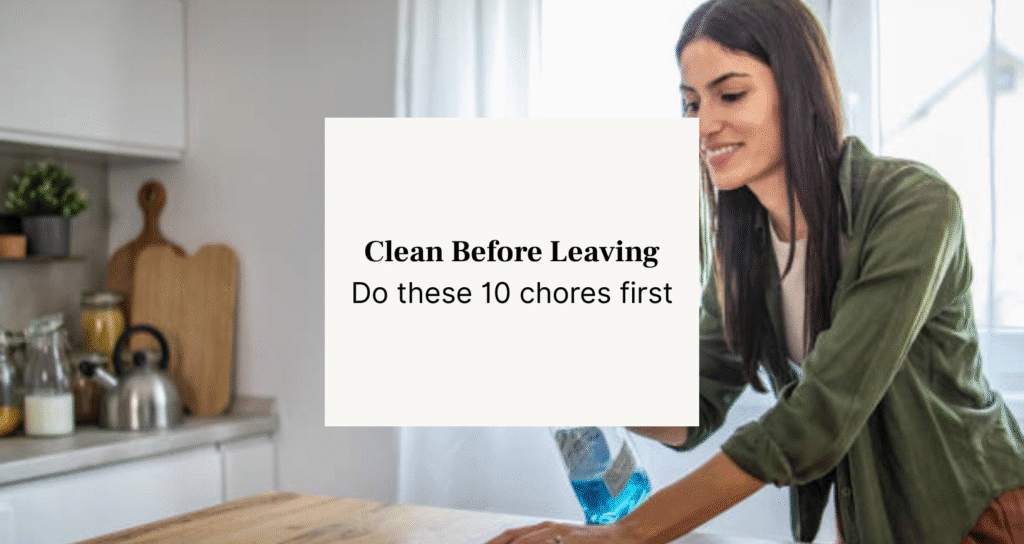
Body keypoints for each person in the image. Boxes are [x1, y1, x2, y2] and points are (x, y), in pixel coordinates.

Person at [484, 0, 1024, 543]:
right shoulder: (744, 249)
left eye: (732, 94)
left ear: (798, 90)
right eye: (690, 103)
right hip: (872, 525)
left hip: (979, 516)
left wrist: (625, 535)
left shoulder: (913, 207)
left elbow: (816, 420)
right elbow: (690, 404)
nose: (702, 125)